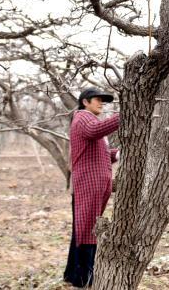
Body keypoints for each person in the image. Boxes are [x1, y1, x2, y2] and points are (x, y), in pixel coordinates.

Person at [63, 86, 119, 287]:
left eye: (104, 100)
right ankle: (84, 278)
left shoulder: (91, 120)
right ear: (85, 102)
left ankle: (73, 274)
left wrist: (117, 154)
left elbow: (99, 152)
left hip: (95, 183)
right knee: (88, 228)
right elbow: (94, 131)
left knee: (84, 227)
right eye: (98, 99)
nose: (102, 103)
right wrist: (124, 116)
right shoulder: (83, 118)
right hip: (88, 183)